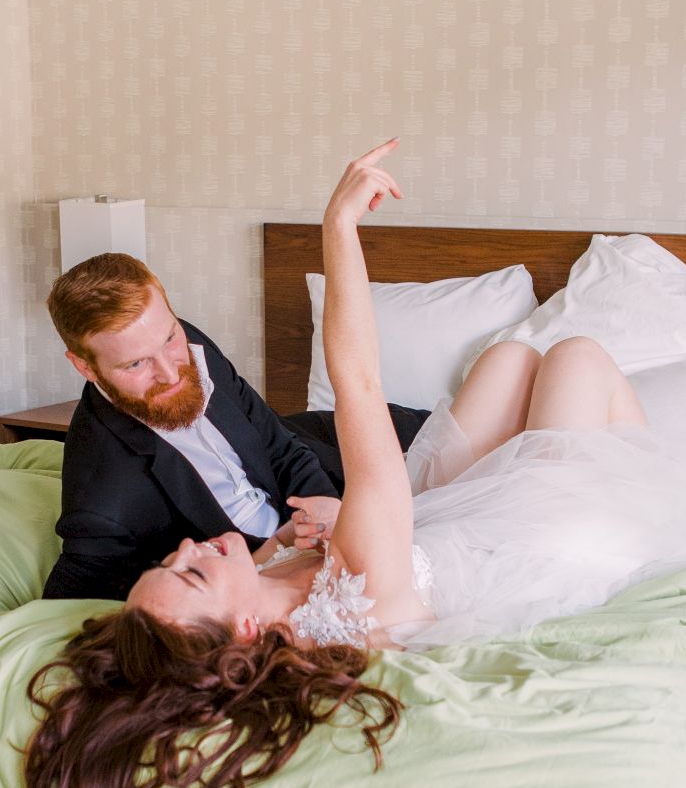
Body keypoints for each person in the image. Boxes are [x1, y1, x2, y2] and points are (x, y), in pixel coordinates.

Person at [7, 141, 686, 788]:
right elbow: (359, 380)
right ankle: (639, 470)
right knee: (576, 356)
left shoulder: (273, 603)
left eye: (169, 563)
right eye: (191, 571)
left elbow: (286, 488)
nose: (182, 549)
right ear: (242, 624)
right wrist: (339, 226)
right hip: (553, 534)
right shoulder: (357, 580)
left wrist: (300, 536)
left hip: (427, 534)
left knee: (513, 361)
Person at [41, 252, 428, 601]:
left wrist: (331, 519)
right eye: (136, 364)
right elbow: (73, 604)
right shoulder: (102, 498)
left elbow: (279, 445)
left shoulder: (186, 341)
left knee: (447, 441)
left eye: (170, 338)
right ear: (85, 367)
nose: (170, 371)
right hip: (286, 571)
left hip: (322, 456)